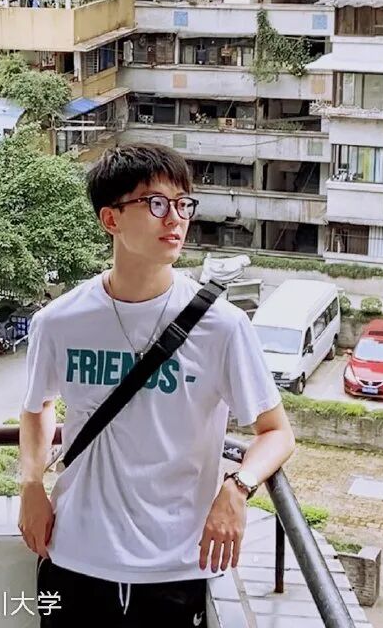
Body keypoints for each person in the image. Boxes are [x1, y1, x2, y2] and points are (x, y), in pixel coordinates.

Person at [18, 143, 295, 626]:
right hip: (74, 554)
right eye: (156, 203)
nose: (176, 219)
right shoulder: (58, 321)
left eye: (183, 204)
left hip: (176, 564)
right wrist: (30, 485)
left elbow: (276, 432)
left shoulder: (223, 326)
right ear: (111, 219)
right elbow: (36, 407)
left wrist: (237, 487)